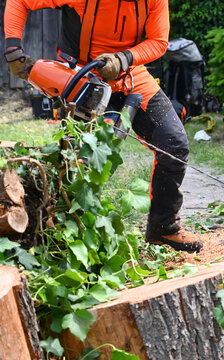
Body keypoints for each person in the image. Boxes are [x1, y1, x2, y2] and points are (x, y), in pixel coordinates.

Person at [3, 0, 203, 252]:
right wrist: (13, 49)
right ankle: (67, 234)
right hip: (81, 74)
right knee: (76, 162)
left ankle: (164, 228)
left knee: (174, 144)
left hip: (131, 73)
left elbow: (158, 41)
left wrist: (124, 58)